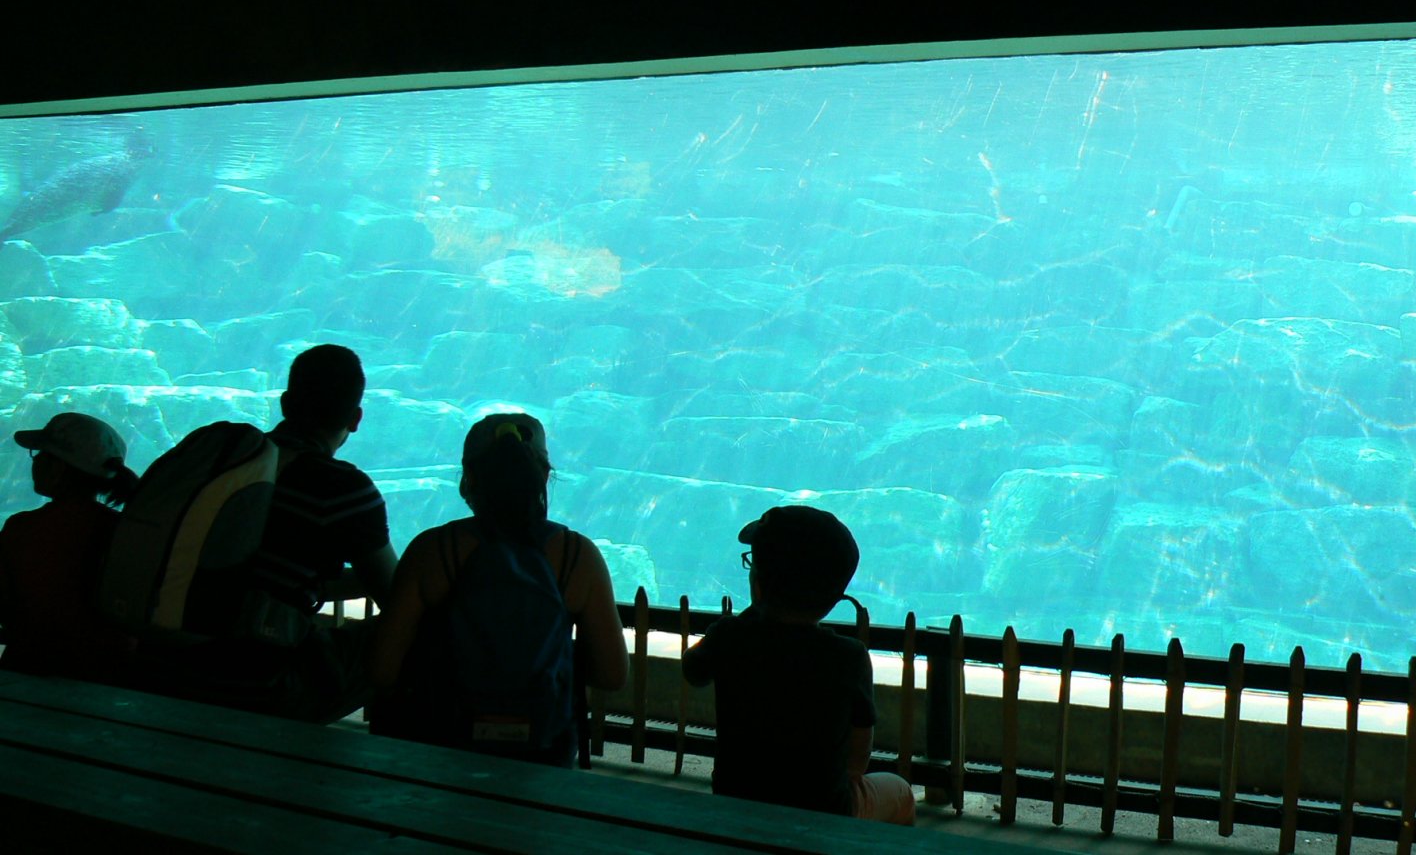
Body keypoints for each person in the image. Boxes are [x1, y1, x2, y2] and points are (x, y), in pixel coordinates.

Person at [147, 344, 397, 722]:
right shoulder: (343, 489)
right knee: (417, 625)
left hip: (162, 664)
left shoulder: (224, 461)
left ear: (284, 404)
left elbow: (254, 574)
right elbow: (396, 593)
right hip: (261, 688)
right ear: (356, 418)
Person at [370, 412, 628, 764]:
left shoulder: (432, 551)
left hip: (442, 746)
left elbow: (382, 669)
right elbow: (612, 675)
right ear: (544, 476)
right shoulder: (576, 556)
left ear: (468, 478)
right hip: (544, 752)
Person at [682, 506, 915, 825]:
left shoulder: (729, 636)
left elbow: (693, 671)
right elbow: (858, 759)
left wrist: (751, 613)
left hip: (736, 801)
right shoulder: (848, 656)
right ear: (836, 595)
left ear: (758, 582)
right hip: (825, 810)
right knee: (900, 792)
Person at [0, 412, 139, 680]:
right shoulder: (126, 529)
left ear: (59, 467)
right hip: (111, 674)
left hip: (31, 668)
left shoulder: (24, 528)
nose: (35, 461)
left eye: (40, 454)